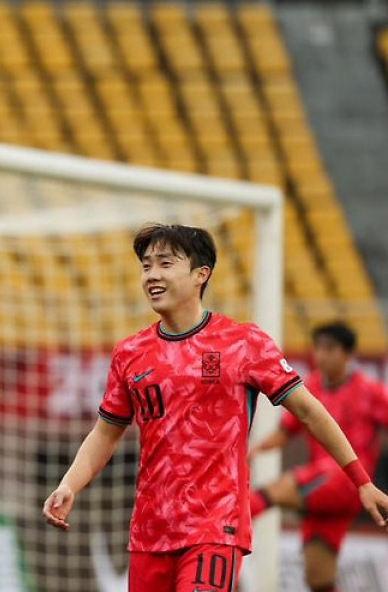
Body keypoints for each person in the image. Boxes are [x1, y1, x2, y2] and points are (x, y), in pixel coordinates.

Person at [42, 224, 388, 592]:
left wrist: (362, 482)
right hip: (150, 532)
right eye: (146, 266)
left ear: (200, 275)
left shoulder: (243, 343)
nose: (152, 275)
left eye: (165, 263)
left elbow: (309, 412)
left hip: (215, 526)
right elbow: (105, 433)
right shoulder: (130, 353)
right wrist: (69, 485)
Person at [249, 321, 388, 592]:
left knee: (273, 491)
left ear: (347, 354)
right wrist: (255, 451)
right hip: (322, 495)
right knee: (318, 579)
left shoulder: (370, 391)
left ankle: (224, 530)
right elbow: (285, 432)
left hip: (348, 483)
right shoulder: (309, 388)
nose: (321, 355)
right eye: (318, 348)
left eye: (330, 349)